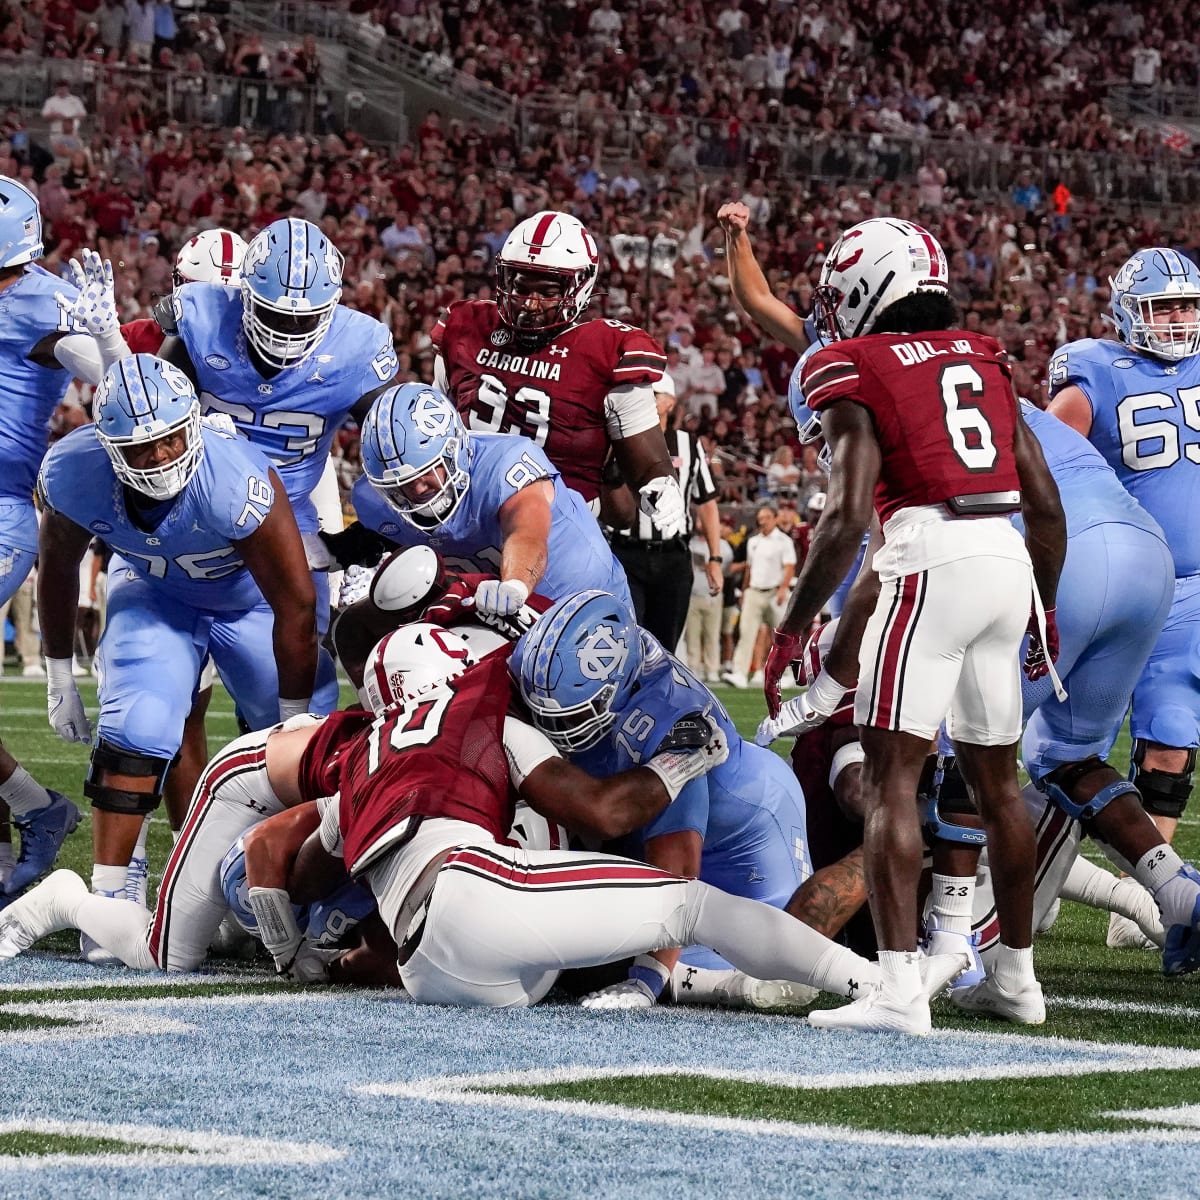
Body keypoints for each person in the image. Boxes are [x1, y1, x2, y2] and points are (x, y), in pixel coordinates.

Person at [764, 217, 1067, 1034]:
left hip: (929, 557)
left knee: (895, 776)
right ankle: (1015, 978)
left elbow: (847, 517)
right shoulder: (986, 356)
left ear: (868, 289)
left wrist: (795, 627)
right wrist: (1042, 604)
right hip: (1004, 557)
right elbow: (1044, 505)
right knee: (998, 786)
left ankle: (900, 990)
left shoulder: (850, 363)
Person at [512, 589, 923, 1012]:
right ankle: (707, 978)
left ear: (618, 690)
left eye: (577, 716)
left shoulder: (676, 725)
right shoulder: (550, 657)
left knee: (784, 954)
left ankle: (895, 841)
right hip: (646, 814)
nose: (554, 727)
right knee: (586, 957)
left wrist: (647, 981)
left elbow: (677, 881)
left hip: (748, 827)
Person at [35, 354, 318, 947]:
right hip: (154, 590)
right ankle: (112, 894)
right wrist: (60, 673)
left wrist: (293, 719)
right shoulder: (75, 471)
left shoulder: (236, 479)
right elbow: (58, 570)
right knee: (138, 722)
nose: (160, 457)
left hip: (250, 601)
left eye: (169, 439)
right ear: (107, 447)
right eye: (140, 449)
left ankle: (300, 889)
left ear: (193, 423)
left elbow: (294, 604)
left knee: (306, 748)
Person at [158, 216, 400, 713]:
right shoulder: (202, 316)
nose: (288, 329)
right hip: (191, 517)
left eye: (304, 318)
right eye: (274, 313)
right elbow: (152, 412)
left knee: (294, 711)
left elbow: (398, 446)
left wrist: (367, 536)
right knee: (176, 702)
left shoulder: (357, 346)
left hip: (290, 523)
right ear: (242, 293)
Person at [0, 179, 139, 899]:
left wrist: (108, 342)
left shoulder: (43, 301)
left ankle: (31, 815)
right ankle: (33, 810)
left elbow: (122, 388)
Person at [1046, 248, 1200, 875]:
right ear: (1128, 311)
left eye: (1187, 305)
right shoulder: (1096, 369)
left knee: (1172, 732)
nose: (1178, 320)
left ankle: (1146, 885)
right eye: (1164, 307)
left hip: (1190, 588)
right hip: (1112, 579)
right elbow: (1048, 455)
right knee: (1071, 743)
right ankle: (1040, 869)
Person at [431, 211, 686, 538]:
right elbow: (434, 430)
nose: (530, 305)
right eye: (521, 287)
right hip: (467, 517)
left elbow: (648, 470)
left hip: (560, 531)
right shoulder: (466, 329)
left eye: (547, 291)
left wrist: (662, 485)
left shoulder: (610, 352)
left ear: (580, 287)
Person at [324, 383, 633, 614]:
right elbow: (387, 536)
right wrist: (337, 550)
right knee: (357, 628)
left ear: (454, 450)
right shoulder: (374, 498)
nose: (418, 491)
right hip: (485, 608)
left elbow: (527, 532)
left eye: (426, 474)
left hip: (580, 599)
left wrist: (514, 584)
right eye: (401, 485)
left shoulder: (504, 464)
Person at [606, 373, 723, 649]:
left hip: (673, 556)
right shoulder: (617, 438)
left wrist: (715, 557)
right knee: (624, 642)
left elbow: (706, 502)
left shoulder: (689, 444)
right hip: (626, 553)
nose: (646, 400)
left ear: (670, 402)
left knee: (664, 649)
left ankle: (656, 694)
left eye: (654, 395)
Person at [122, 228, 248, 355]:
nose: (218, 310)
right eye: (208, 297)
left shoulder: (257, 352)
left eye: (232, 298)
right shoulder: (143, 336)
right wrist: (110, 341)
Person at [721, 504, 795, 689]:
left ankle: (786, 673)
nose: (762, 521)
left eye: (767, 517)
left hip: (774, 591)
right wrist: (745, 590)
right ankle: (740, 673)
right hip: (754, 591)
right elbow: (749, 568)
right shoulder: (753, 541)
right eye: (760, 518)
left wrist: (782, 589)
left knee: (780, 636)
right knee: (746, 632)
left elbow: (789, 567)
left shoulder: (784, 541)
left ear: (775, 518)